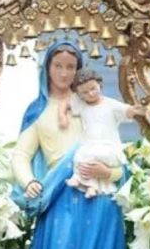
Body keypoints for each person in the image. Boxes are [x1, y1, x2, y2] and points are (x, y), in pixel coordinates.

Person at [8, 43, 126, 249]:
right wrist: (30, 181)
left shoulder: (94, 105)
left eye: (70, 67)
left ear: (79, 71)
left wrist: (108, 172)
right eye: (58, 66)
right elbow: (20, 155)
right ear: (47, 68)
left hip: (99, 200)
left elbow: (117, 154)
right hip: (59, 198)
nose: (64, 73)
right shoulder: (38, 111)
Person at [60, 69, 145, 198]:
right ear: (79, 95)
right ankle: (88, 184)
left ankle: (90, 184)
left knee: (99, 157)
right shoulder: (82, 105)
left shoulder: (110, 104)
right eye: (84, 92)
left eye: (93, 88)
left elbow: (125, 110)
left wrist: (134, 110)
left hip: (108, 144)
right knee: (80, 156)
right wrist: (62, 116)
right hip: (90, 144)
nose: (90, 94)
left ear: (99, 84)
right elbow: (66, 103)